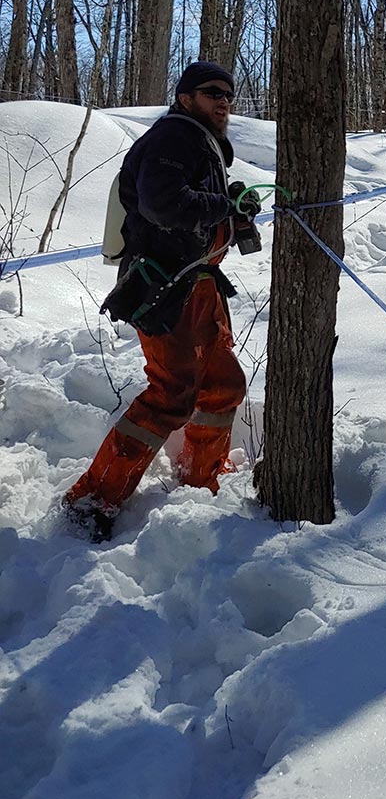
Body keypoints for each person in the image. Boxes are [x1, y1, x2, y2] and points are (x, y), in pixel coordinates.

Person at [63, 61, 259, 541]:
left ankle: (200, 475)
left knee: (223, 385)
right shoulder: (175, 137)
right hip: (165, 288)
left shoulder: (200, 141)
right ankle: (94, 498)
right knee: (170, 395)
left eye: (229, 96)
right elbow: (163, 204)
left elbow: (195, 205)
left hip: (199, 285)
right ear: (186, 96)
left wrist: (231, 205)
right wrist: (223, 205)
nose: (223, 102)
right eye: (212, 93)